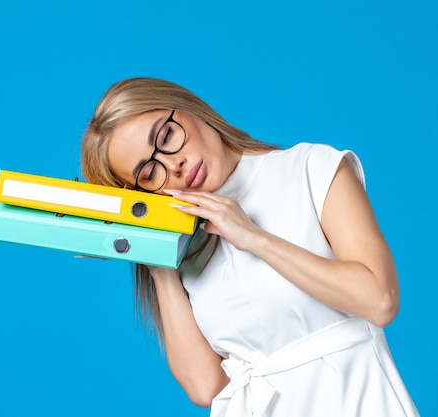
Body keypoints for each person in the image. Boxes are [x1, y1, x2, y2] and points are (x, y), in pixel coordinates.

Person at [80, 77, 420, 417]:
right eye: (150, 172)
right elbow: (204, 387)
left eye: (166, 136)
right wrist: (156, 262)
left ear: (187, 108)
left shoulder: (310, 167)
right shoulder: (182, 244)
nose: (174, 165)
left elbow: (380, 300)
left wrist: (254, 238)